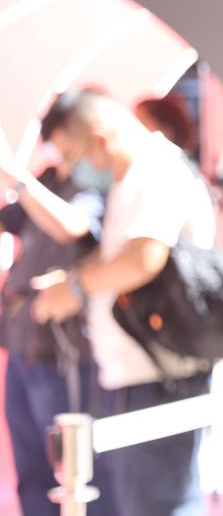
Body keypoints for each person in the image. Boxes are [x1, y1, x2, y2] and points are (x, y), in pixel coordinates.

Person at [30, 88, 215, 516]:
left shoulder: (154, 169)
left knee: (162, 504)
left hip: (160, 375)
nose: (74, 169)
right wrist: (74, 281)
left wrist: (75, 289)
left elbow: (143, 257)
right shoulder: (133, 176)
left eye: (73, 156)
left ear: (98, 137)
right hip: (138, 373)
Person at [0, 120, 119, 516]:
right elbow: (11, 218)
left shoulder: (98, 186)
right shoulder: (46, 179)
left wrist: (17, 179)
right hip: (23, 345)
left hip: (66, 350)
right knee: (32, 472)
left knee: (77, 475)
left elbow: (74, 227)